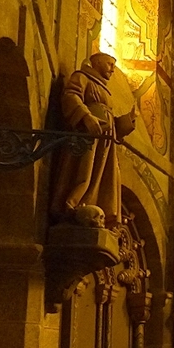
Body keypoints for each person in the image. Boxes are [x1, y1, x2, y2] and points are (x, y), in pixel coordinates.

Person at [51, 52, 136, 227]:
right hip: (88, 134)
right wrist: (86, 116)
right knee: (84, 171)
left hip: (104, 140)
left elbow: (108, 118)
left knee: (100, 175)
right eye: (110, 64)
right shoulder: (82, 77)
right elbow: (71, 95)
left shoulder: (104, 89)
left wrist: (126, 122)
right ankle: (74, 205)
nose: (113, 69)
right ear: (96, 63)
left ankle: (94, 209)